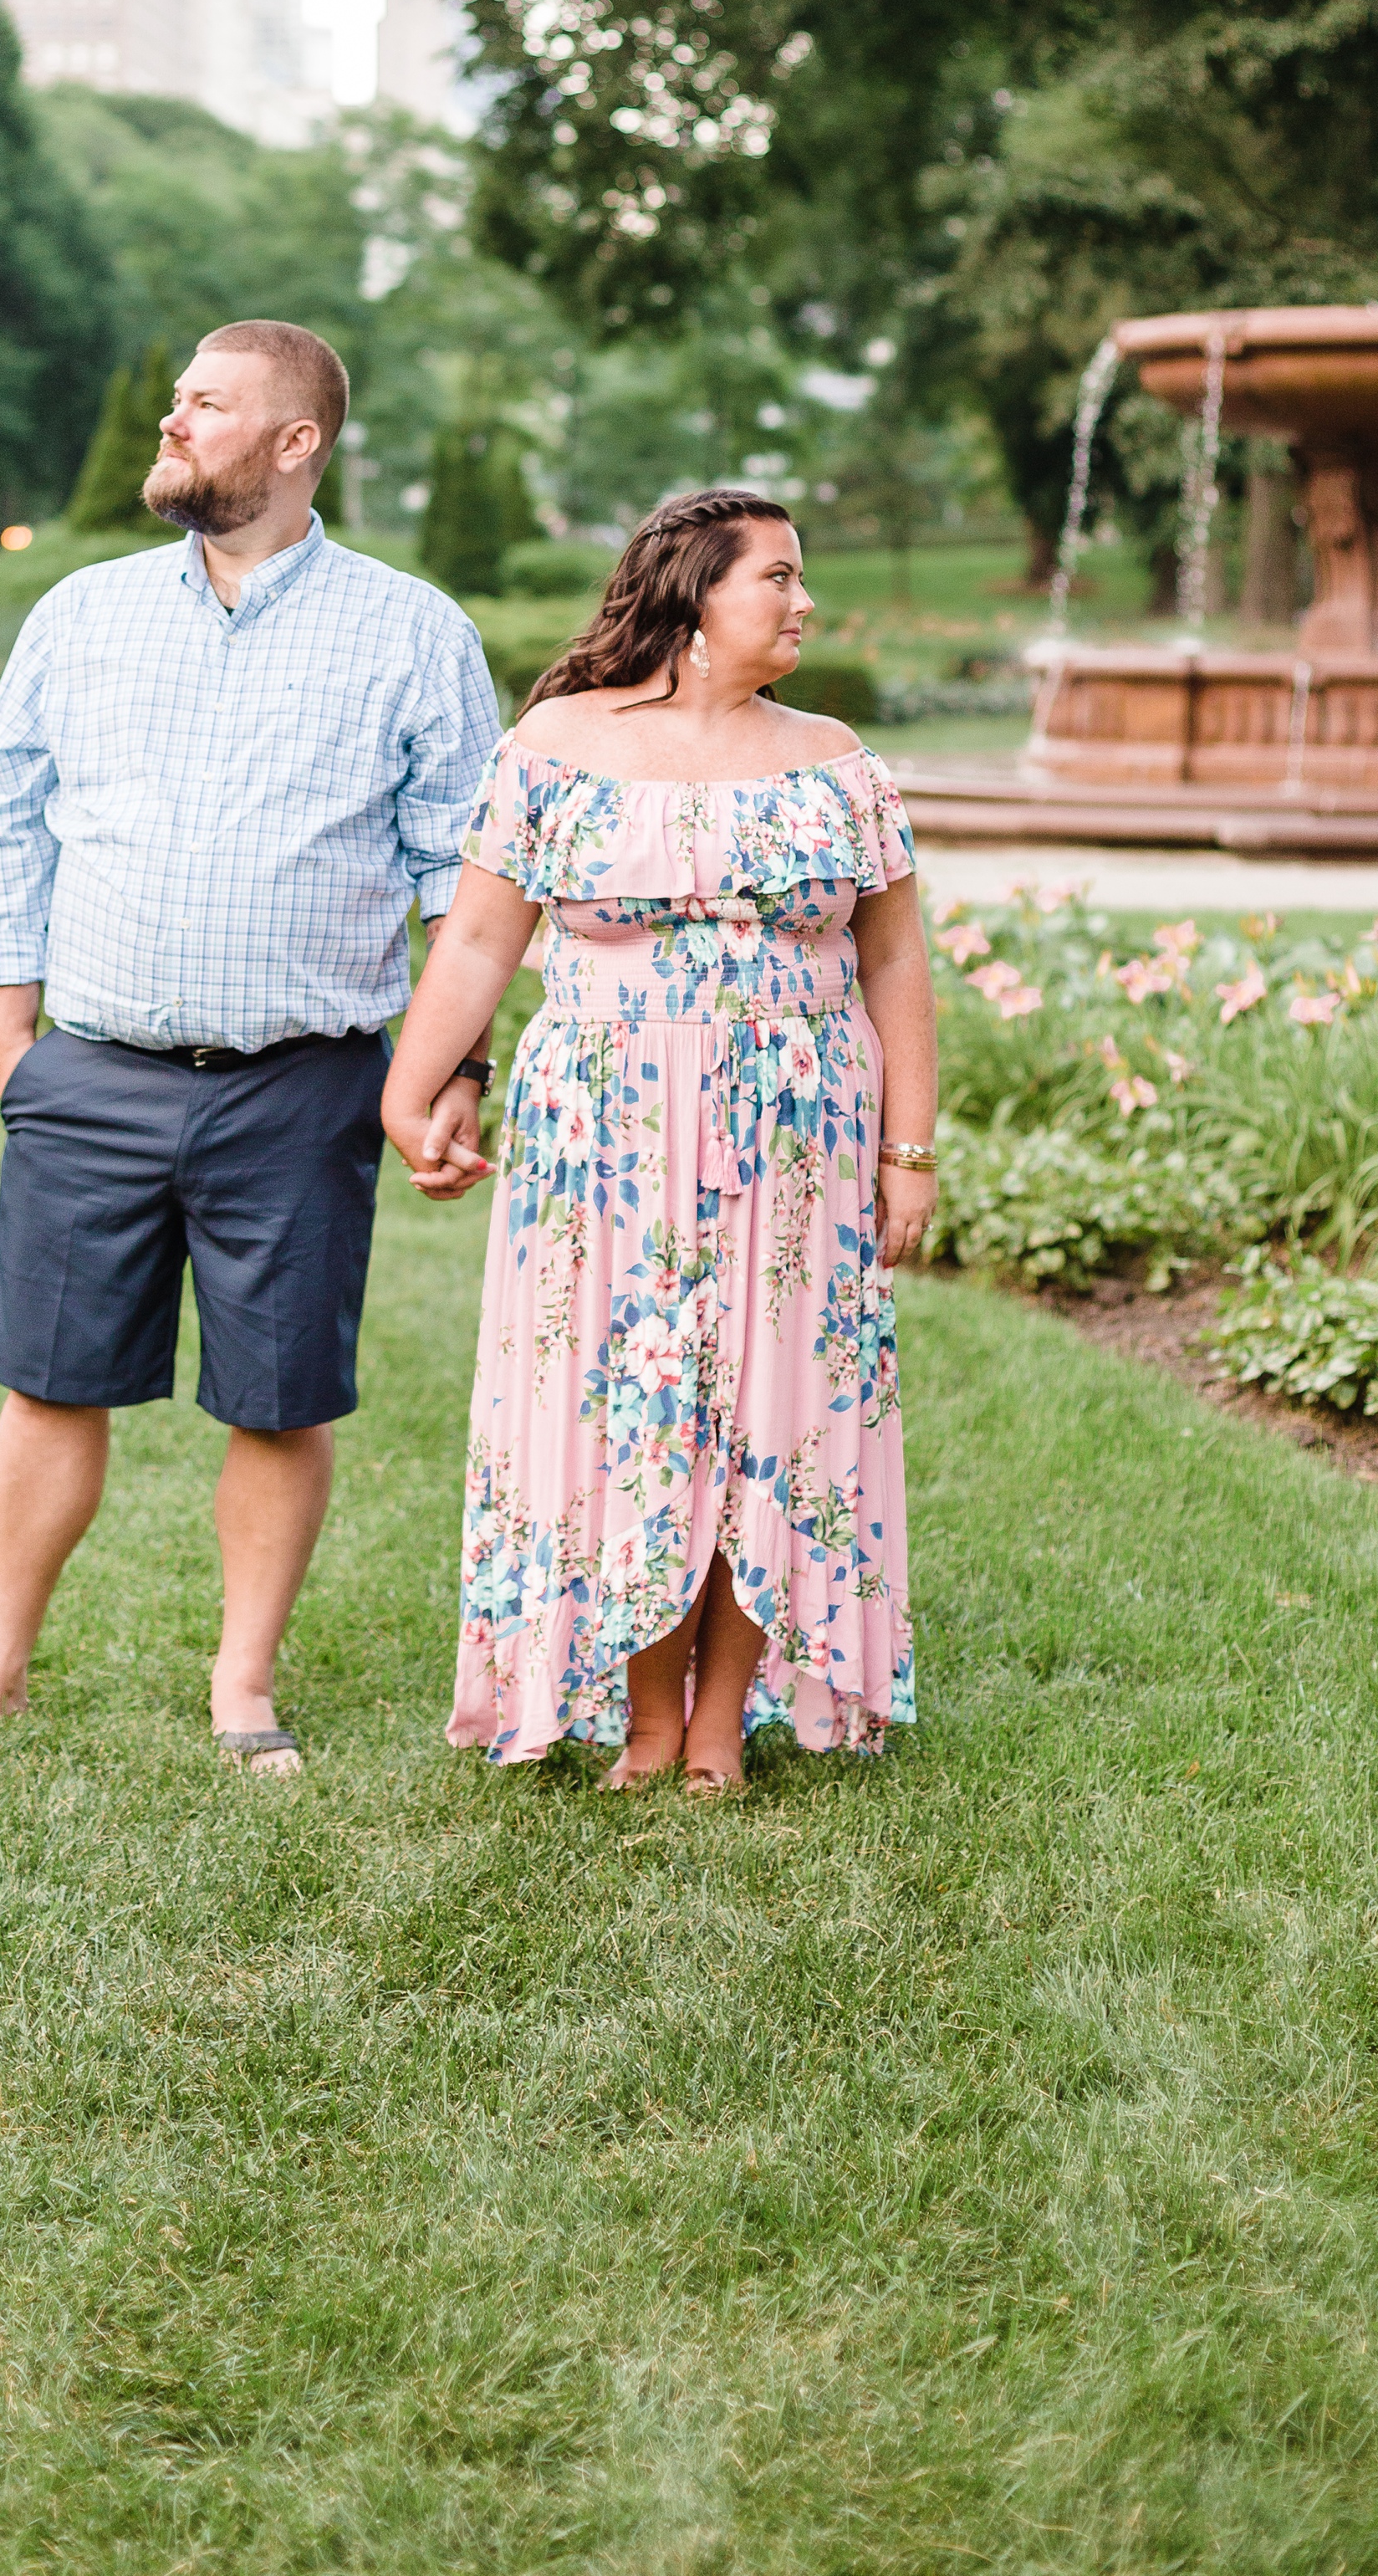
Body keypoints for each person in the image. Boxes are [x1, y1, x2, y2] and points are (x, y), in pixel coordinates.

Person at [0, 319, 498, 1772]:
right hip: (92, 1076)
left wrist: (449, 1077)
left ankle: (243, 1689)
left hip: (303, 1088)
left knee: (278, 1396)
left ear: (295, 442)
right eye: (177, 399)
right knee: (48, 1381)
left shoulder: (416, 633)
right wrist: (14, 1050)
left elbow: (463, 880)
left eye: (204, 404)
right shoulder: (82, 614)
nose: (170, 423)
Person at [383, 488, 934, 1794]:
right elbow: (476, 936)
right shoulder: (558, 744)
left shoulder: (835, 759)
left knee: (776, 1409)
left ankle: (718, 1716)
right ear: (693, 595)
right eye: (779, 579)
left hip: (799, 1137)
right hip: (605, 1135)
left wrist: (909, 1152)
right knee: (625, 1403)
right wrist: (410, 1092)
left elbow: (897, 957)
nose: (804, 603)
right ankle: (639, 1709)